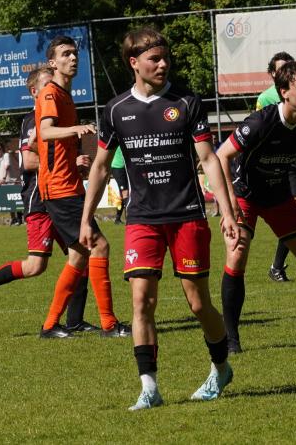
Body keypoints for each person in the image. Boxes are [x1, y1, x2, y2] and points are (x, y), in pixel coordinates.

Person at [80, 27, 240, 410]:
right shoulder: (116, 110)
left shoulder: (186, 102)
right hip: (142, 219)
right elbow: (100, 167)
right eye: (155, 59)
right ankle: (149, 388)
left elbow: (208, 159)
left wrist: (227, 211)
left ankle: (221, 368)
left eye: (166, 57)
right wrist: (86, 218)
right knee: (141, 302)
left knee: (198, 304)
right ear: (134, 63)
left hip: (186, 216)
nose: (163, 64)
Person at [0, 66, 98, 333]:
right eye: (46, 84)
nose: (52, 88)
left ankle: (75, 320)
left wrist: (78, 165)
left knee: (81, 255)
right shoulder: (34, 119)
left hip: (61, 195)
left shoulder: (60, 114)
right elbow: (30, 161)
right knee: (36, 266)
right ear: (34, 92)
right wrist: (70, 162)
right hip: (40, 200)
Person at [34, 35, 130, 338]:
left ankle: (50, 325)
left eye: (75, 53)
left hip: (68, 184)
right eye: (65, 54)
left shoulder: (65, 94)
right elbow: (45, 132)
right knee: (99, 245)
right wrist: (75, 129)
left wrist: (74, 160)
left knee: (78, 255)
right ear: (52, 62)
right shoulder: (50, 93)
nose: (73, 58)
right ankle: (109, 324)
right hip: (59, 188)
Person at [217, 60, 296, 355]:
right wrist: (229, 204)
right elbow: (222, 155)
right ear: (284, 92)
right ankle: (230, 339)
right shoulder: (261, 122)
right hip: (246, 195)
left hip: (279, 196)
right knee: (237, 254)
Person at [255, 52, 296, 283]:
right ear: (272, 73)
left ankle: (277, 267)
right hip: (279, 165)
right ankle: (276, 266)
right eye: (280, 68)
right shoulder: (265, 98)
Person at [111, 146, 128, 224]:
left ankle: (117, 219)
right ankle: (128, 219)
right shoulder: (120, 141)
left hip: (124, 168)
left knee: (124, 194)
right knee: (125, 193)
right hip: (118, 168)